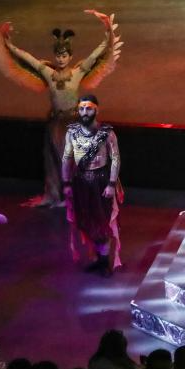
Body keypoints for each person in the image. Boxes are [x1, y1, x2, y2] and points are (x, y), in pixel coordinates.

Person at [0, 10, 120, 207]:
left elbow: (98, 53)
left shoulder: (78, 72)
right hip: (56, 123)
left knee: (75, 160)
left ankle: (75, 196)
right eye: (58, 56)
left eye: (64, 55)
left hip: (74, 123)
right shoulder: (47, 73)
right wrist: (9, 45)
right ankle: (56, 195)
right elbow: (27, 58)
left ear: (70, 56)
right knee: (54, 159)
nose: (61, 59)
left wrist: (108, 32)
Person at [62, 95, 122, 276]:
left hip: (101, 181)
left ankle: (105, 263)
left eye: (88, 108)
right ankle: (98, 259)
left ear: (96, 109)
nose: (84, 112)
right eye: (81, 108)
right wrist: (66, 182)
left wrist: (111, 184)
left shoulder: (107, 133)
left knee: (102, 222)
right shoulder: (72, 132)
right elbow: (66, 158)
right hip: (80, 182)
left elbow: (115, 159)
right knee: (86, 221)